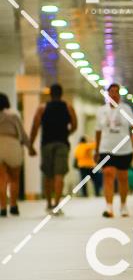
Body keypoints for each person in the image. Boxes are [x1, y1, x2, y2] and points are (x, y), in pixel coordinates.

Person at [29, 82, 77, 213]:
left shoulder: (42, 108)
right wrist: (67, 133)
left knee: (48, 174)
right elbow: (74, 124)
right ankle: (57, 205)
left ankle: (49, 203)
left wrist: (30, 144)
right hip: (62, 143)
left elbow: (35, 126)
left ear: (50, 94)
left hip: (47, 144)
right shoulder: (68, 107)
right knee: (59, 174)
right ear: (61, 94)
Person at [95, 82, 133, 218]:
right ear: (108, 94)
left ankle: (123, 205)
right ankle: (109, 207)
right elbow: (98, 131)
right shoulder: (101, 110)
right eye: (112, 92)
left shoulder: (126, 109)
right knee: (108, 174)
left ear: (120, 95)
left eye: (116, 92)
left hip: (124, 149)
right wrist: (96, 150)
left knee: (123, 177)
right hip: (106, 148)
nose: (114, 94)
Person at [0, 93, 35, 216]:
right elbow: (22, 133)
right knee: (14, 178)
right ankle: (13, 205)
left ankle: (3, 208)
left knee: (1, 179)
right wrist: (30, 147)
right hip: (12, 145)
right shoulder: (13, 115)